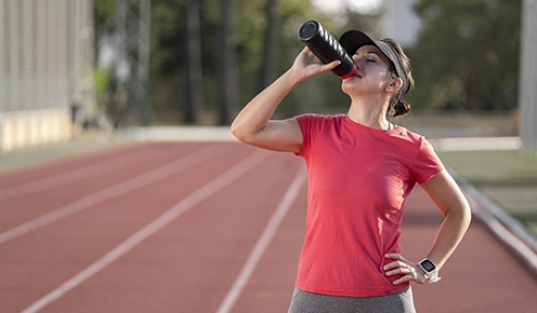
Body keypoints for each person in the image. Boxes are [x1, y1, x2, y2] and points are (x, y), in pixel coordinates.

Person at [231, 28, 472, 313]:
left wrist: (428, 267)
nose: (356, 61)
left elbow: (458, 211)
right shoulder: (317, 130)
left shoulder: (413, 147)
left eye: (370, 59)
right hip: (315, 293)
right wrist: (294, 74)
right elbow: (244, 129)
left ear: (393, 84)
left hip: (385, 297)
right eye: (354, 55)